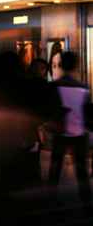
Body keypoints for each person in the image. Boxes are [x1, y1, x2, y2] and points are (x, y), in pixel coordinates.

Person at [49, 51, 92, 213]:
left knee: (55, 168)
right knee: (81, 170)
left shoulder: (54, 86)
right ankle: (86, 202)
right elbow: (87, 112)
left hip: (60, 133)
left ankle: (51, 200)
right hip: (79, 133)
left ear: (61, 65)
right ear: (76, 65)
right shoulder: (84, 88)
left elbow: (52, 109)